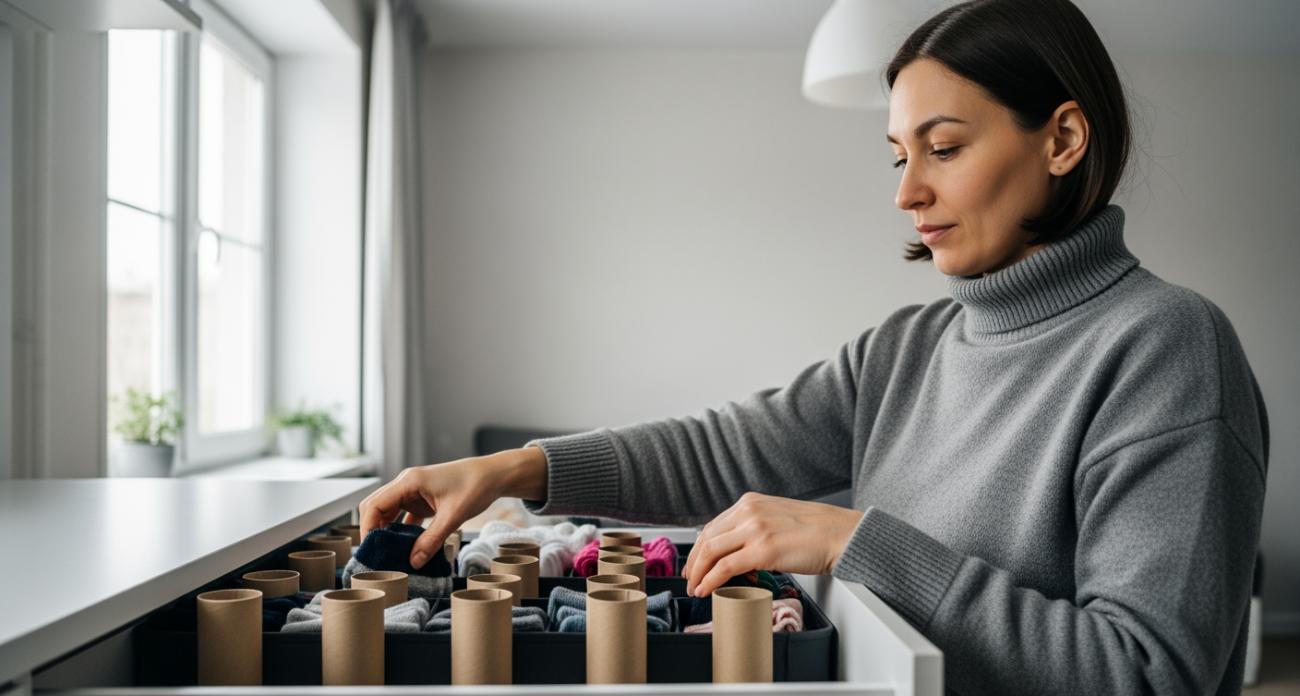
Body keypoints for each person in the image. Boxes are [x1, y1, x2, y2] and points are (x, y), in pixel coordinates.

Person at [360, 0, 1268, 693]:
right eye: (897, 155)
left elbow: (1146, 672)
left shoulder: (1167, 347)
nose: (907, 191)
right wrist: (514, 470)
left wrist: (860, 543)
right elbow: (724, 448)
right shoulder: (906, 349)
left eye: (943, 147)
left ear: (1063, 138)